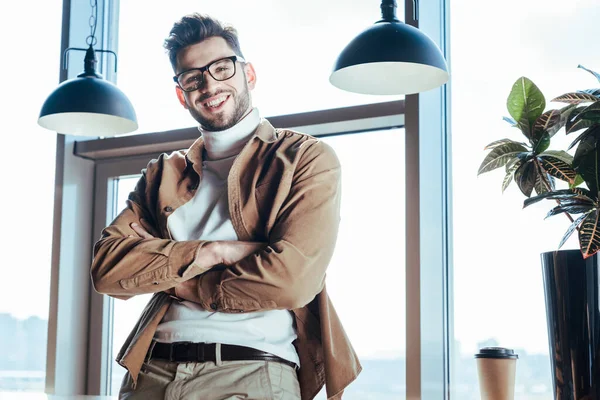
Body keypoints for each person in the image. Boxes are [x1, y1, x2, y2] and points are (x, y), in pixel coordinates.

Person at [90, 13, 361, 400]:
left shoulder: (304, 158)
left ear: (248, 74)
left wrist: (181, 281)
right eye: (193, 77)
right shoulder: (162, 175)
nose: (210, 85)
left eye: (221, 68)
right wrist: (215, 251)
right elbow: (108, 269)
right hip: (148, 373)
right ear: (182, 94)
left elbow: (293, 279)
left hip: (249, 372)